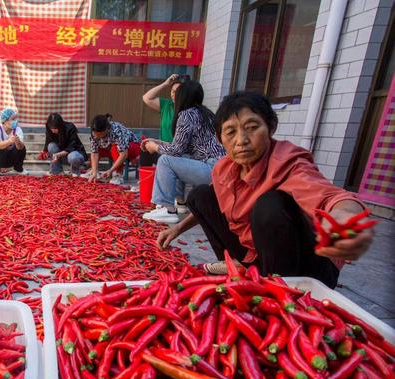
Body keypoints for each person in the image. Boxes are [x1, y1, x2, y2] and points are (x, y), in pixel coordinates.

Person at [157, 91, 373, 287]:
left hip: (308, 266)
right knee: (201, 195)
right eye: (230, 132)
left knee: (269, 204)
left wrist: (345, 220)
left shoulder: (288, 162)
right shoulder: (225, 168)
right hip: (258, 253)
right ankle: (238, 266)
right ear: (220, 139)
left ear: (271, 127)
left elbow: (331, 197)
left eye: (252, 128)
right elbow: (216, 200)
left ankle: (279, 291)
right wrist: (177, 229)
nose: (241, 141)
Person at [141, 80, 225, 224]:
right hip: (219, 167)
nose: (173, 96)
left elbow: (175, 151)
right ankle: (176, 204)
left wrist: (155, 148)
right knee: (175, 157)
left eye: (176, 93)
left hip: (213, 169)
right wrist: (156, 142)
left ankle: (168, 209)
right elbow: (181, 147)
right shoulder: (205, 113)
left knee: (165, 160)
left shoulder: (187, 114)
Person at [141, 73, 183, 165]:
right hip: (162, 150)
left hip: (180, 154)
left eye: (178, 91)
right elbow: (147, 98)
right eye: (172, 91)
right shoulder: (167, 105)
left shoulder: (188, 111)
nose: (174, 94)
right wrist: (165, 84)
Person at [88, 114, 141, 185]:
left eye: (100, 135)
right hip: (108, 148)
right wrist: (94, 171)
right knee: (97, 149)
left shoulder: (117, 130)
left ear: (107, 129)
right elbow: (94, 152)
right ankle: (93, 172)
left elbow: (123, 154)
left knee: (115, 148)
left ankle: (118, 174)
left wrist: (110, 170)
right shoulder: (94, 133)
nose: (97, 137)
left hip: (131, 147)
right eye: (96, 134)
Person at [0, 108, 27, 176]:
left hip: (11, 158)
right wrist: (9, 141)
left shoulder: (18, 130)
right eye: (13, 119)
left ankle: (18, 168)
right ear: (5, 121)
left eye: (15, 119)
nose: (15, 121)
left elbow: (20, 148)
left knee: (23, 148)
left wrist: (18, 142)